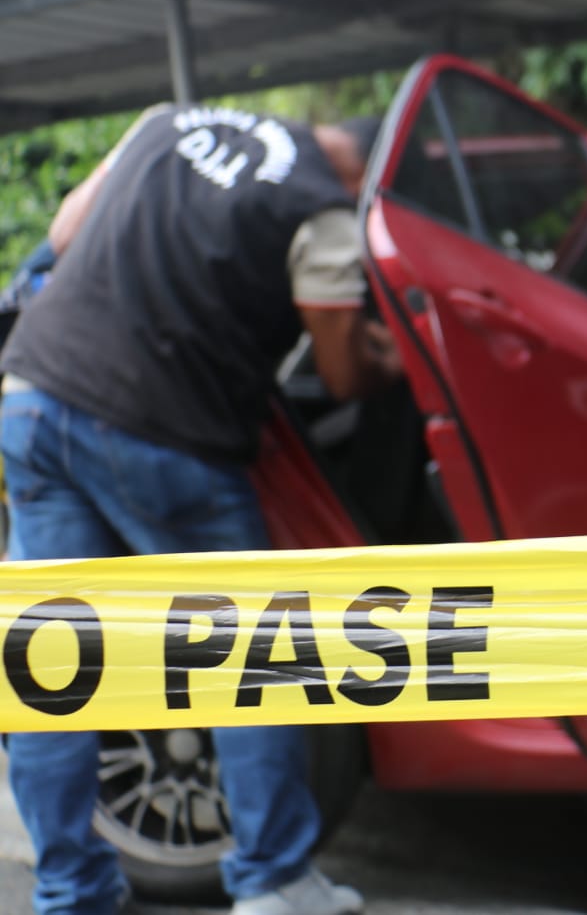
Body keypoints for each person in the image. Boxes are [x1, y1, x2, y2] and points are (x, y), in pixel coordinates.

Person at [0, 102, 403, 915]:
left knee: (58, 658)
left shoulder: (168, 122)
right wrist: (387, 356)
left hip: (34, 398)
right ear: (366, 174)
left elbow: (68, 231)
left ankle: (71, 892)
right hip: (159, 435)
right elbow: (341, 373)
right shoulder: (321, 210)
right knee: (249, 653)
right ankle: (272, 880)